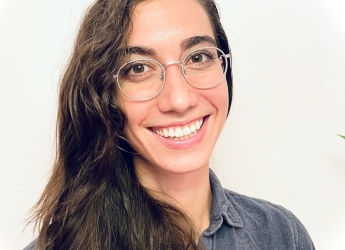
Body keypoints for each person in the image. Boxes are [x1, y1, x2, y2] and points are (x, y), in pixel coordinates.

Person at [24, 0, 315, 249]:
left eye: (199, 57)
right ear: (103, 97)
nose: (179, 100)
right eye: (138, 68)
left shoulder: (281, 235)